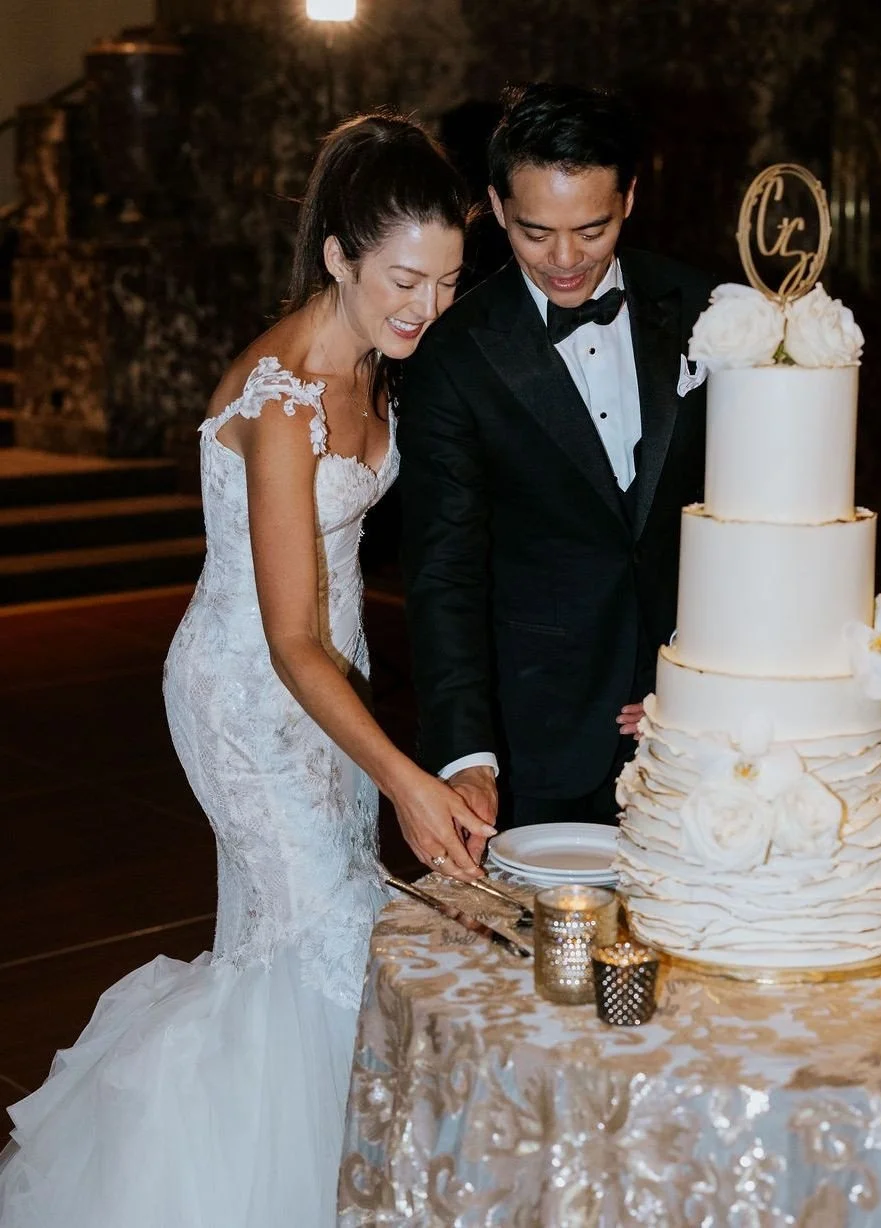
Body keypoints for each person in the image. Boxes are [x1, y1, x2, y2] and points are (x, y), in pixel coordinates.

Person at [0, 113, 491, 1228]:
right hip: (250, 696)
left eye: (446, 280)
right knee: (322, 946)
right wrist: (411, 778)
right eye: (402, 279)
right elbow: (285, 638)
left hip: (331, 686)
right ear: (336, 255)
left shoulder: (377, 354)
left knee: (304, 938)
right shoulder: (281, 395)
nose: (423, 305)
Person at [400, 83, 713, 839]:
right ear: (498, 208)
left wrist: (713, 678)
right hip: (536, 731)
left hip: (700, 723)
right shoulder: (455, 354)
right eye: (535, 232)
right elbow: (444, 568)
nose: (565, 260)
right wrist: (464, 753)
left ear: (629, 197)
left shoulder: (706, 308)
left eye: (592, 228)